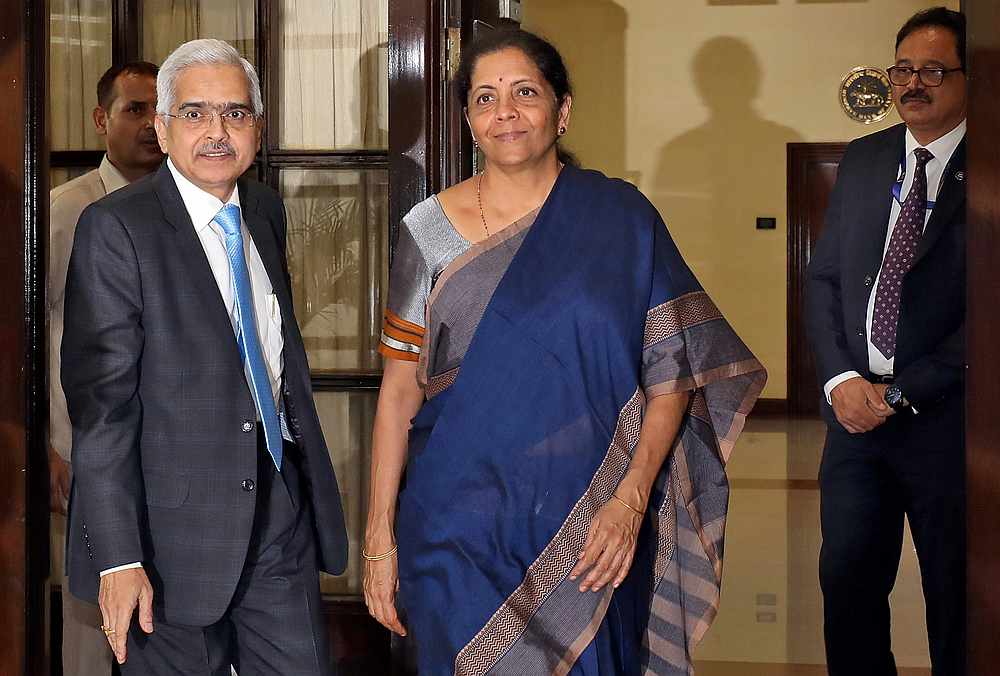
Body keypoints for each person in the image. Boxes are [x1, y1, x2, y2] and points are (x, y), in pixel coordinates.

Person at [363, 28, 766, 674]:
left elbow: (672, 374)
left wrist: (630, 499)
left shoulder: (621, 220)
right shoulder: (428, 230)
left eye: (525, 92)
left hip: (590, 522)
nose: (505, 112)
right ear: (468, 120)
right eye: (485, 98)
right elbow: (398, 390)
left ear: (563, 110)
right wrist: (379, 536)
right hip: (456, 525)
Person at [61, 38, 347, 675]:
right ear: (163, 129)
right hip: (167, 539)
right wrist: (118, 557)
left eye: (235, 113)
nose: (217, 132)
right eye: (194, 113)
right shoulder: (116, 228)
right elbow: (102, 407)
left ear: (257, 129)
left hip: (278, 513)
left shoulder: (264, 212)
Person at [806, 7, 967, 675]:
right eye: (903, 69)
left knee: (957, 598)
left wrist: (903, 392)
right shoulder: (868, 158)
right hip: (855, 423)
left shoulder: (989, 164)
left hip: (951, 424)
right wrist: (841, 380)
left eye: (933, 70)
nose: (913, 84)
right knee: (847, 586)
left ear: (972, 78)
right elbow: (825, 278)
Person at [48, 59, 163, 676]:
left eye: (157, 110)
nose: (148, 124)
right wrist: (49, 444)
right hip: (83, 443)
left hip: (169, 450)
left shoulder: (191, 209)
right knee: (90, 609)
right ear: (101, 119)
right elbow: (33, 339)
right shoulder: (64, 211)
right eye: (133, 109)